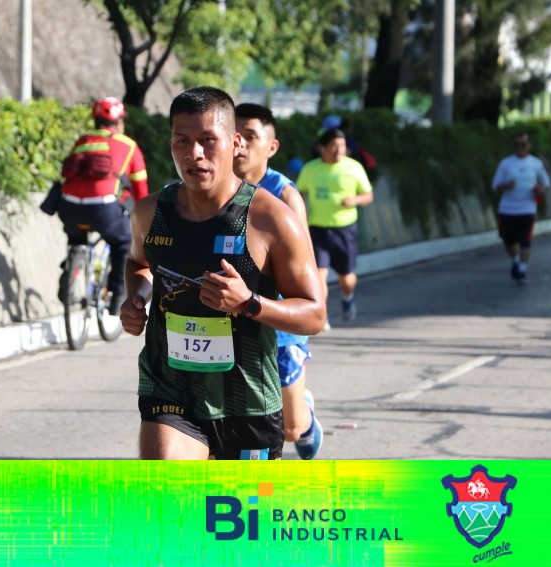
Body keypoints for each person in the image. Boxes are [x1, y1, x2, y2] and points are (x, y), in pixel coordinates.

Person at [119, 87, 326, 460]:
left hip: (248, 400)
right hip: (171, 389)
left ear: (234, 143)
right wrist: (137, 296)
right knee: (166, 489)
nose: (194, 153)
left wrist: (249, 303)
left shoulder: (271, 219)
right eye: (182, 141)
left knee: (244, 501)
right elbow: (139, 263)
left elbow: (314, 314)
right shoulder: (150, 213)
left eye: (207, 140)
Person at [233, 102, 323, 460]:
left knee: (290, 429)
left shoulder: (284, 196)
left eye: (250, 136)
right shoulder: (212, 186)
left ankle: (305, 416)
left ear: (271, 147)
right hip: (232, 317)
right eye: (233, 135)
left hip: (280, 323)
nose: (239, 143)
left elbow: (305, 269)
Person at [58, 97, 149, 314]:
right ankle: (117, 295)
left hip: (67, 206)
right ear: (119, 123)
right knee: (122, 241)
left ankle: (71, 269)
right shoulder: (128, 145)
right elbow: (141, 190)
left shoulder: (82, 141)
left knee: (77, 236)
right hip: (103, 209)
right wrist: (143, 218)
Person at [297, 127, 373, 329]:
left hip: (345, 230)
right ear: (321, 148)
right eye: (333, 146)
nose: (338, 150)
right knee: (318, 275)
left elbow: (368, 195)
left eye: (342, 146)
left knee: (346, 279)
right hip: (317, 229)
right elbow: (298, 193)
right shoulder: (310, 169)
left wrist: (354, 200)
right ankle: (323, 317)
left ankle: (348, 297)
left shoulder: (354, 167)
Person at [491, 132, 551, 285]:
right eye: (517, 145)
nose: (520, 148)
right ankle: (516, 260)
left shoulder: (536, 163)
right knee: (508, 242)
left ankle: (522, 270)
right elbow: (495, 185)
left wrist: (541, 189)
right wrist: (506, 185)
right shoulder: (506, 163)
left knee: (525, 241)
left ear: (529, 145)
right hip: (507, 210)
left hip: (527, 209)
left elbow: (546, 183)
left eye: (523, 145)